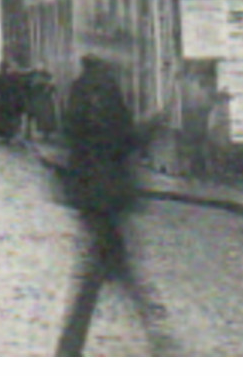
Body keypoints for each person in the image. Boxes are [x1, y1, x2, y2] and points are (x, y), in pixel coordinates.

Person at [54, 54, 176, 356]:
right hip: (104, 194)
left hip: (93, 194)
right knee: (112, 271)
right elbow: (118, 140)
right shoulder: (102, 91)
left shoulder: (81, 88)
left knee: (103, 272)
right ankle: (159, 339)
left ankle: (70, 348)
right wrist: (155, 120)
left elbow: (79, 139)